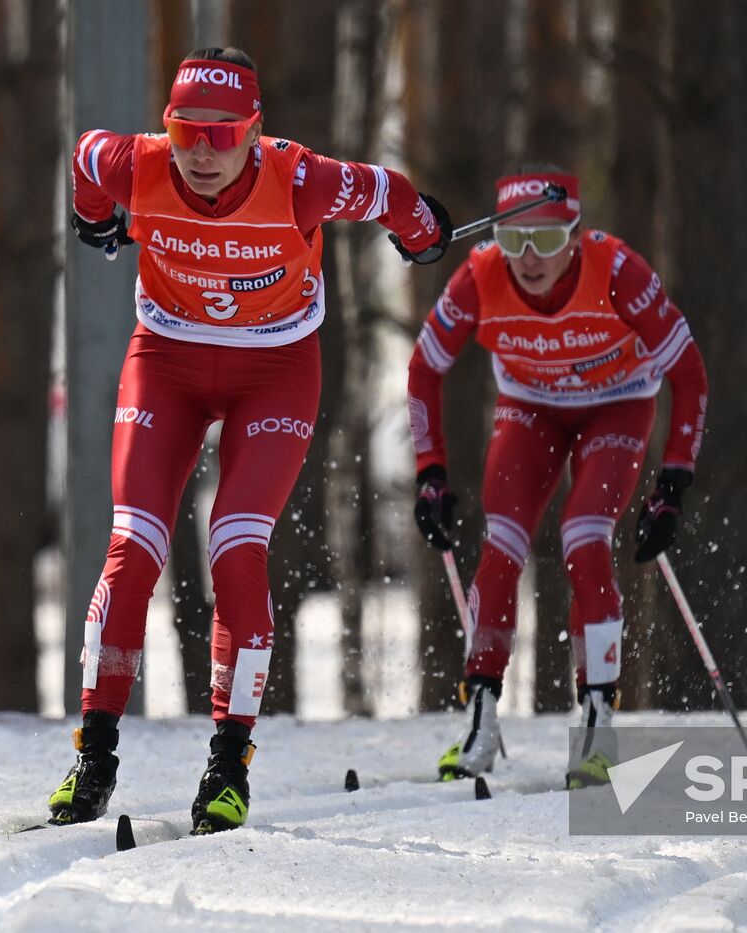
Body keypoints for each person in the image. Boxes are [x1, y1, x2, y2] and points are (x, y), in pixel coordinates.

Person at [53, 47, 451, 834]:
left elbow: (389, 192)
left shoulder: (298, 178)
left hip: (275, 367)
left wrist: (423, 229)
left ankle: (228, 766)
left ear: (254, 131)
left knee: (235, 545)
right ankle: (94, 757)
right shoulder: (135, 163)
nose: (203, 152)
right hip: (165, 358)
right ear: (168, 127)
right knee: (133, 546)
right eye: (187, 130)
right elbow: (83, 158)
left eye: (223, 133)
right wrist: (94, 218)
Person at [406, 168, 707, 788]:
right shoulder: (481, 275)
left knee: (584, 536)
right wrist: (429, 472)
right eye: (514, 242)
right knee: (502, 545)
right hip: (532, 409)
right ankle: (482, 718)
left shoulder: (618, 270)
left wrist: (673, 483)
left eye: (546, 241)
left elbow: (690, 374)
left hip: (617, 403)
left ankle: (598, 722)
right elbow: (422, 369)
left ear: (576, 235)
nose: (529, 259)